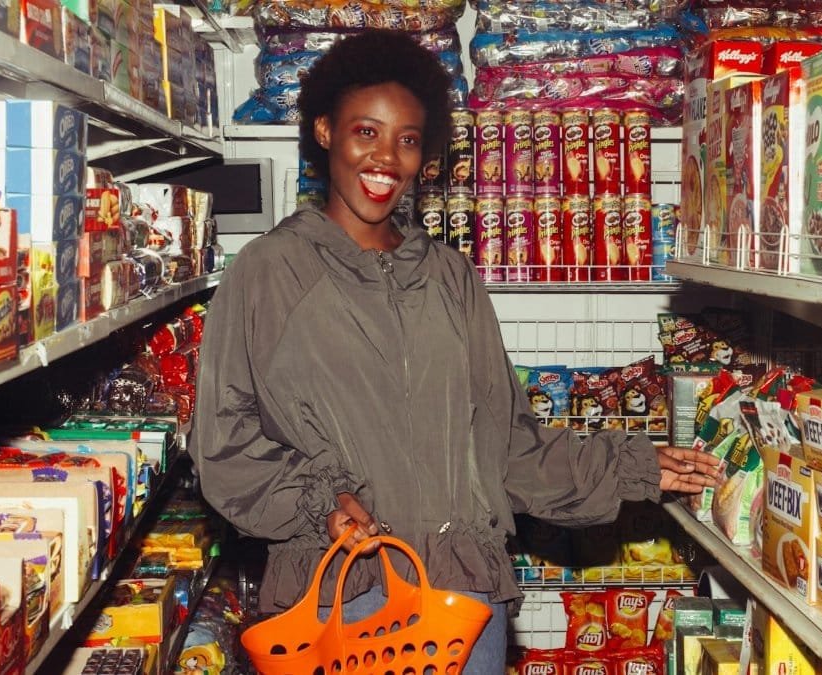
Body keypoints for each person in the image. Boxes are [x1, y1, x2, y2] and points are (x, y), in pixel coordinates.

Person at [190, 29, 721, 672]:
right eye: (366, 132)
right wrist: (319, 501)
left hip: (460, 606)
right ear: (325, 130)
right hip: (339, 605)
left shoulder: (450, 276)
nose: (386, 158)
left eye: (407, 140)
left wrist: (634, 467)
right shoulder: (267, 273)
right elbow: (223, 443)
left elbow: (508, 448)